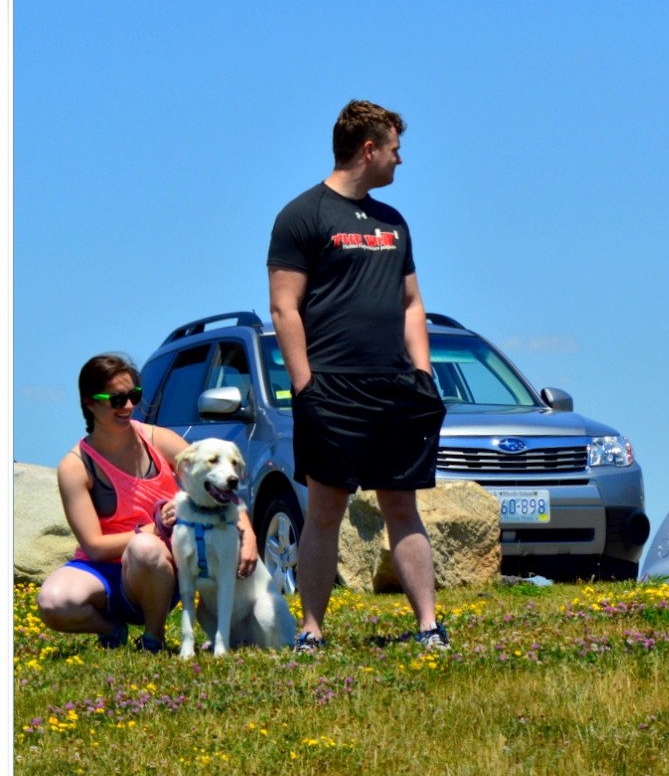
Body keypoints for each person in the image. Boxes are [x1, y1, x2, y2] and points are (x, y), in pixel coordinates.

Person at [267, 99, 449, 654]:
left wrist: (422, 374)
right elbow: (284, 308)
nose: (401, 159)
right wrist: (306, 387)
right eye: (395, 148)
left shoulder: (394, 223)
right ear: (368, 149)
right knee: (325, 509)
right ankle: (312, 631)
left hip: (394, 387)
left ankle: (428, 627)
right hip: (332, 388)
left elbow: (412, 303)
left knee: (402, 505)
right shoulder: (302, 215)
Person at [36, 354, 259, 652]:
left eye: (134, 396)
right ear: (90, 403)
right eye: (116, 400)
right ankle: (113, 630)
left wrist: (248, 535)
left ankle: (153, 639)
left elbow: (219, 481)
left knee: (144, 550)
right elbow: (94, 547)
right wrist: (153, 529)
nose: (128, 406)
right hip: (105, 571)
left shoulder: (158, 440)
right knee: (52, 602)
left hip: (160, 568)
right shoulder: (76, 466)